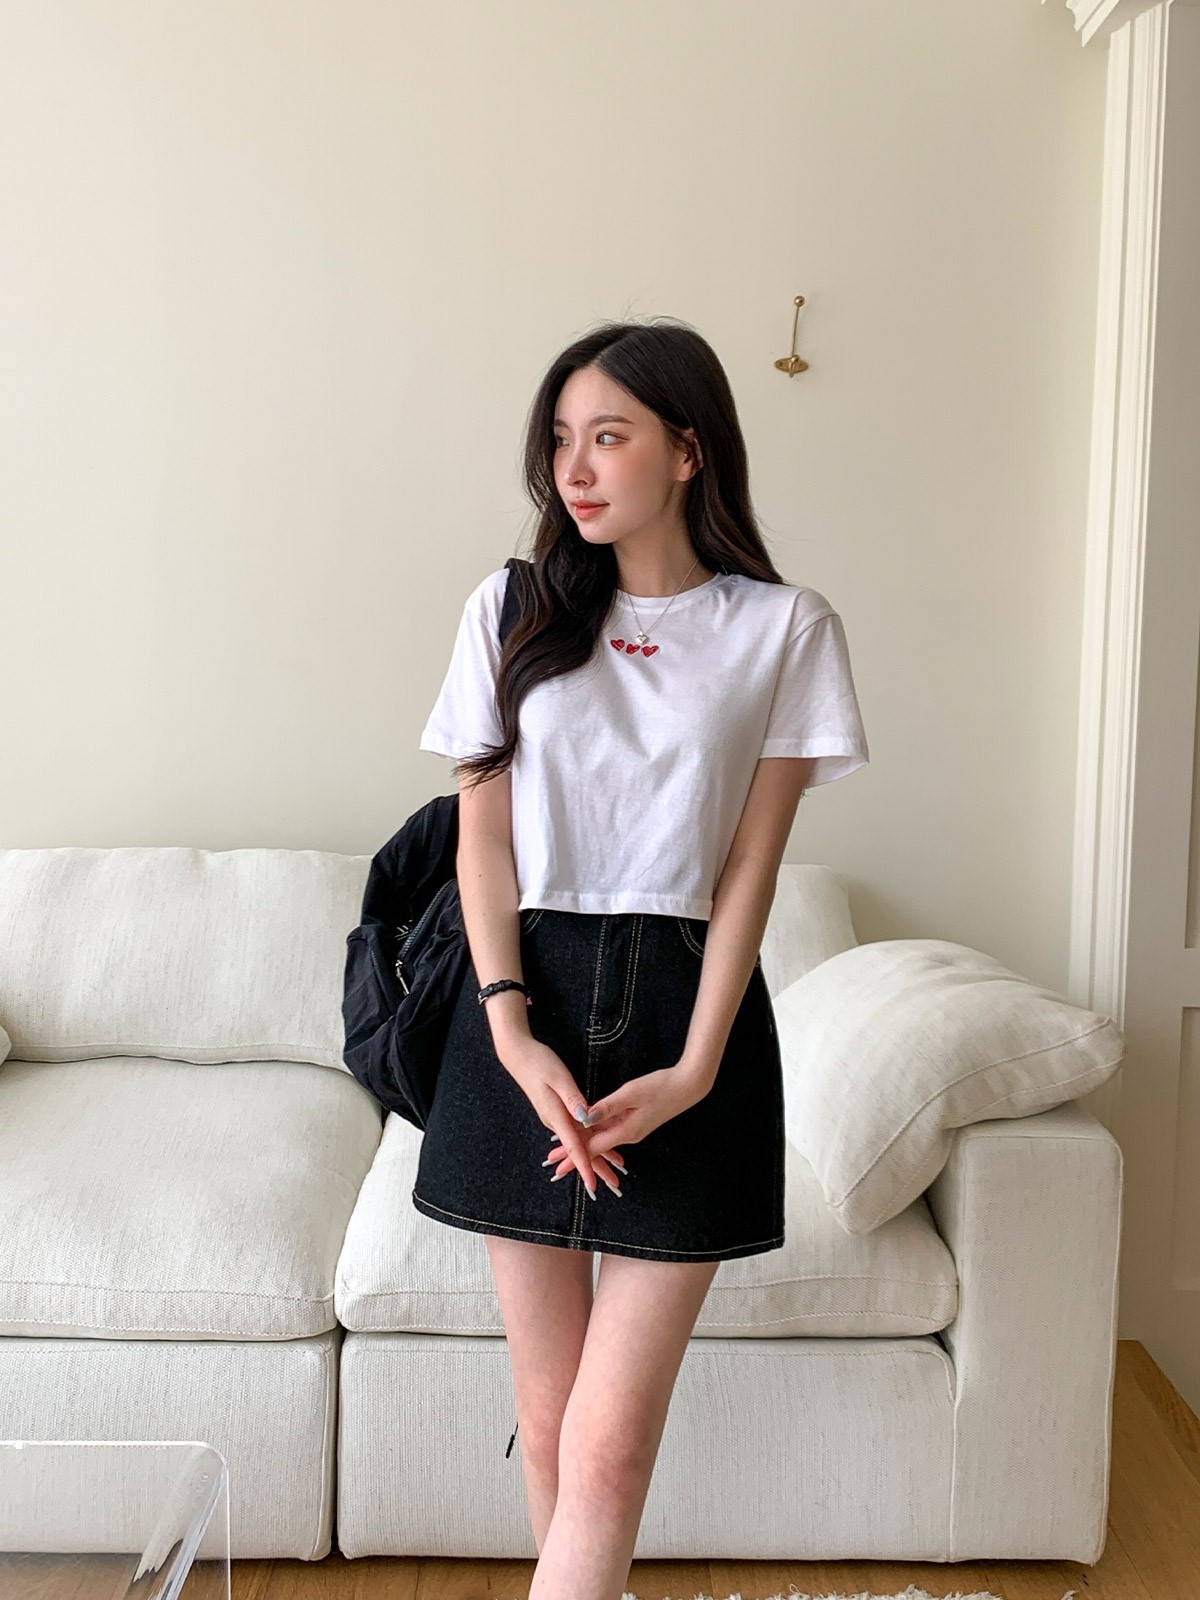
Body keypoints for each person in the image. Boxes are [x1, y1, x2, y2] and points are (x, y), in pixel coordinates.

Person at [413, 317, 869, 1600]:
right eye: (561, 439)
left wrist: (697, 1065)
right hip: (523, 1001)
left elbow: (750, 867)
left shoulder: (784, 628)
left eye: (608, 436)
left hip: (687, 1013)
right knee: (551, 1425)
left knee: (608, 1450)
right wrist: (509, 1026)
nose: (575, 467)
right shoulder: (510, 609)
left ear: (687, 448)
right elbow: (481, 841)